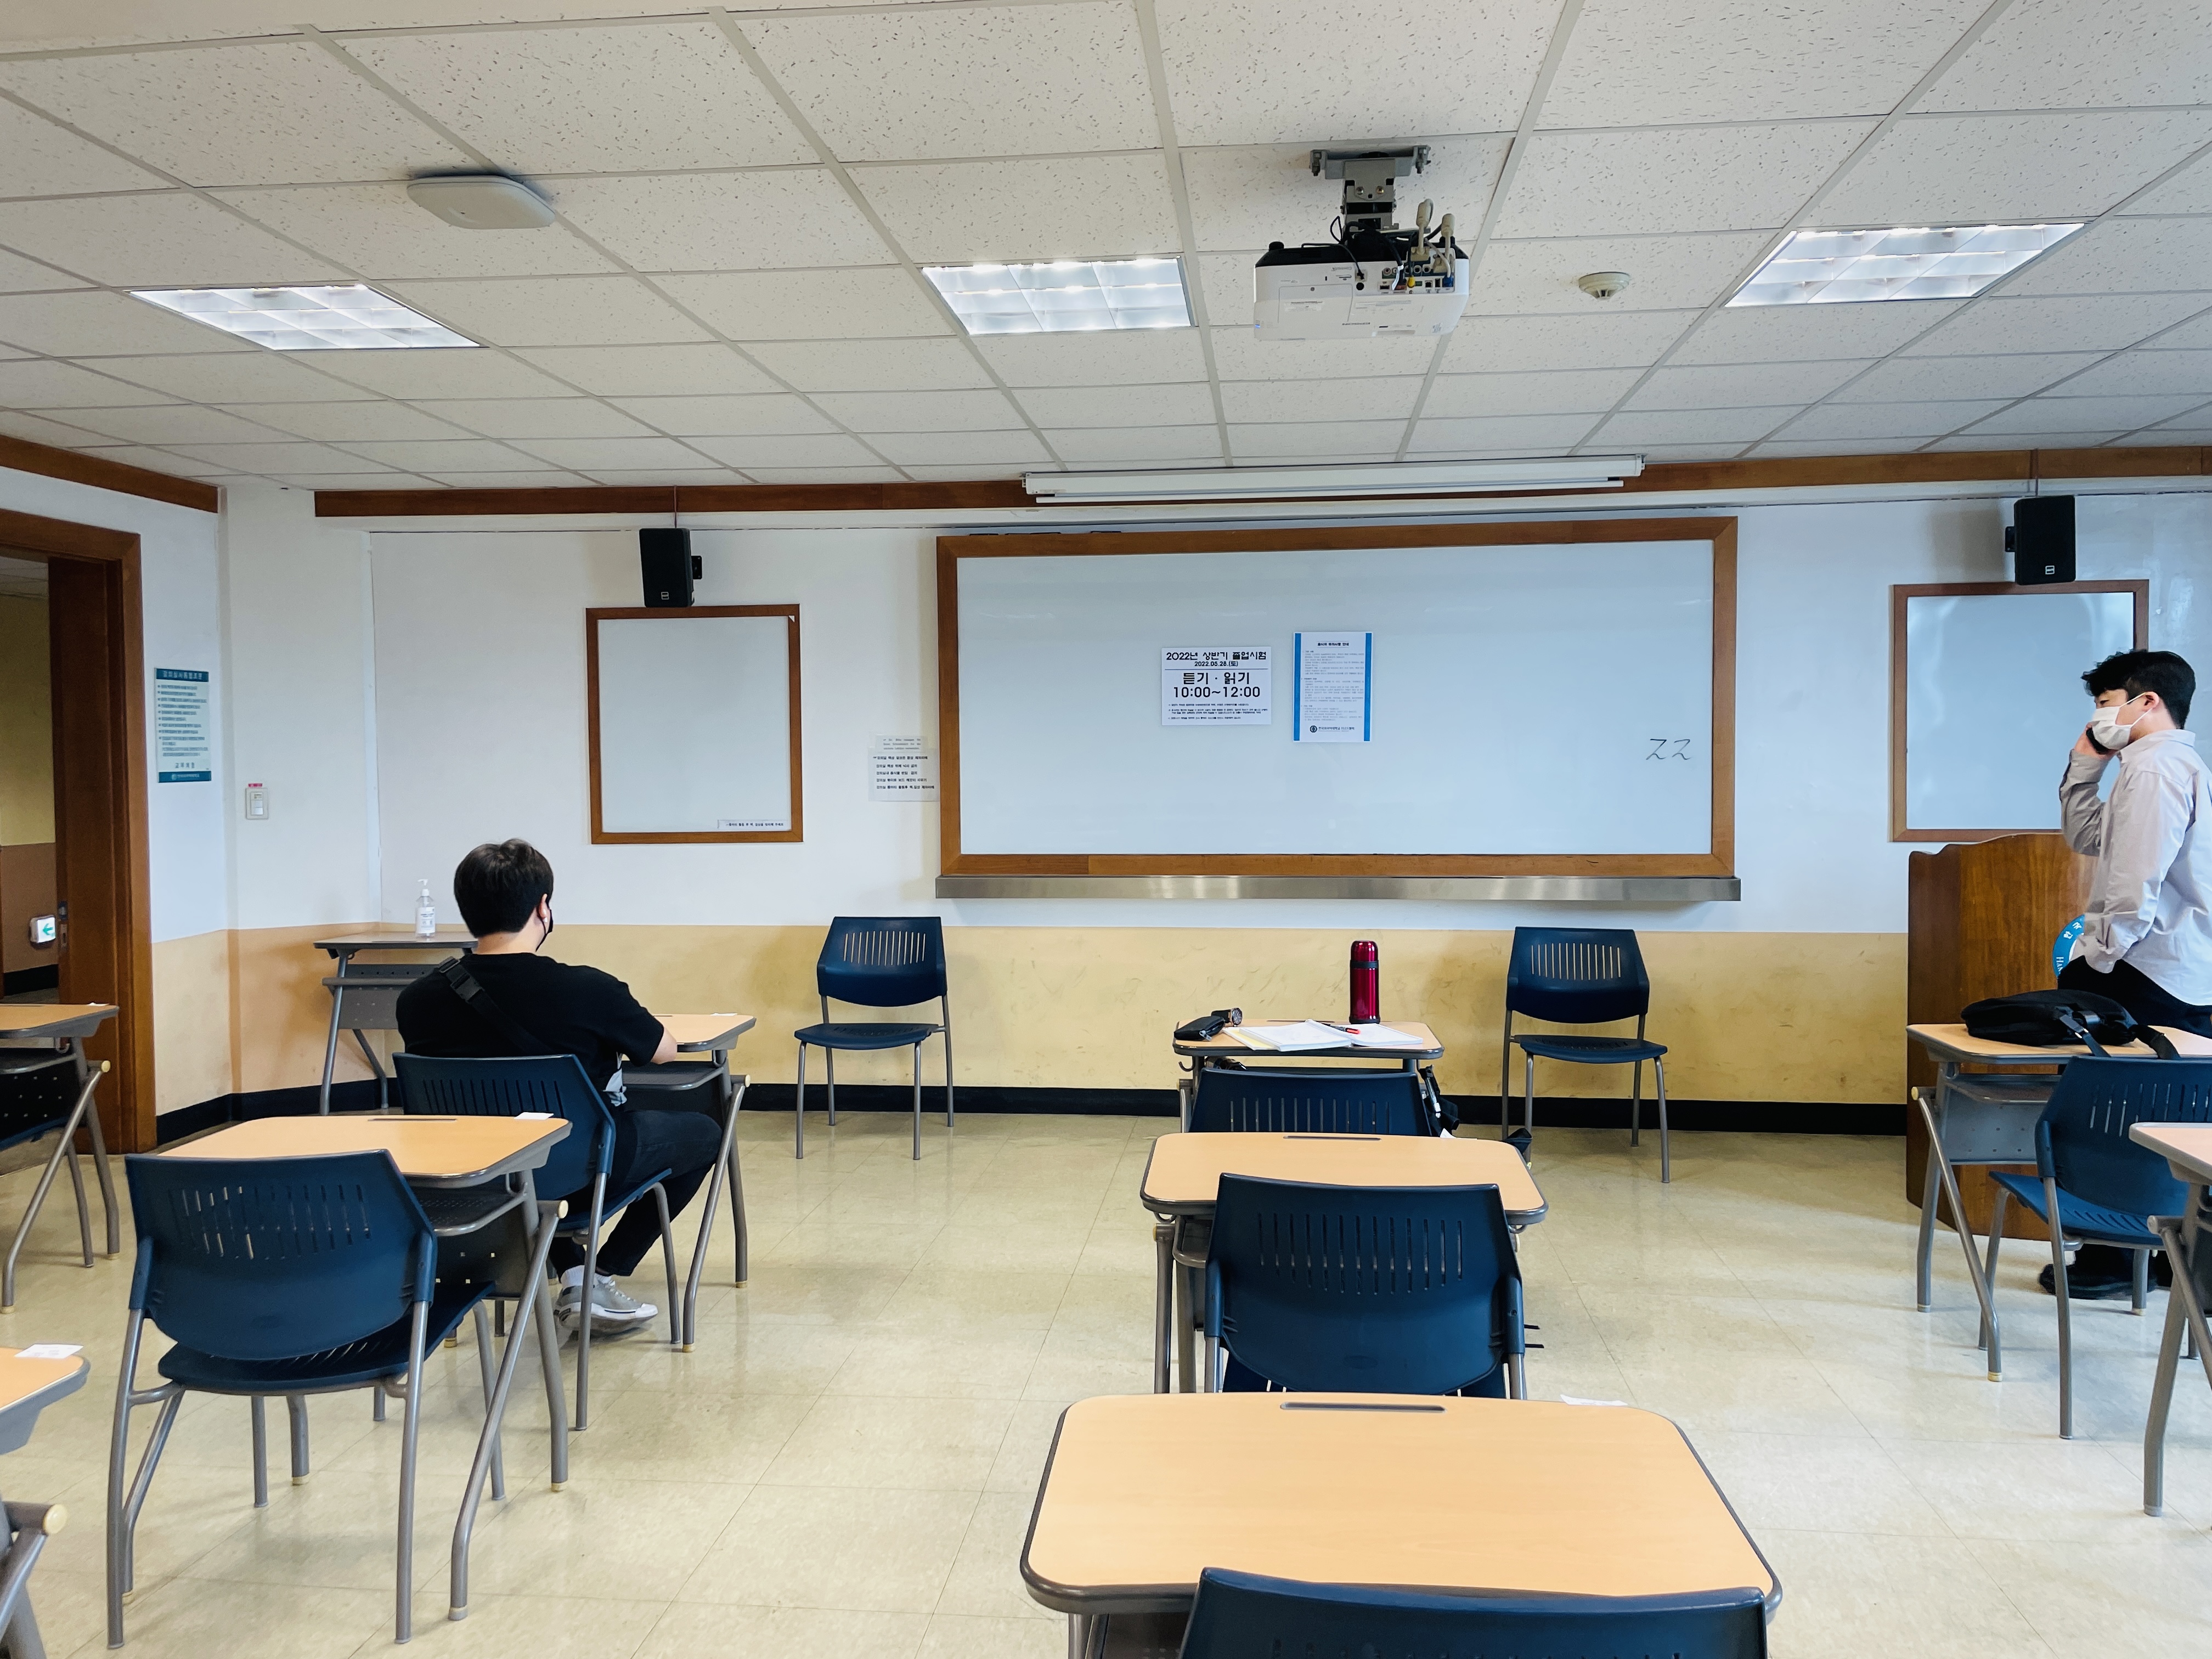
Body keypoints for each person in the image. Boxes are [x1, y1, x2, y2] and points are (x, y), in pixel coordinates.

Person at [396, 839, 723, 1336]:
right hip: (581, 1168)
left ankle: (572, 1267)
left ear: (467, 911)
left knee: (533, 1167)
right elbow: (664, 1051)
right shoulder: (588, 989)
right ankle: (598, 1274)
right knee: (704, 1133)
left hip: (474, 1176)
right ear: (543, 907)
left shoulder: (418, 1001)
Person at [2051, 648, 2212, 1297]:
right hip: (2170, 970)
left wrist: (2100, 958)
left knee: (2121, 1114)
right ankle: (2161, 1258)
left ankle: (2116, 1260)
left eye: (2106, 702)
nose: (2099, 716)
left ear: (2147, 702)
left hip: (2145, 970)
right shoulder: (2155, 766)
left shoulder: (2155, 767)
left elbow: (2133, 881)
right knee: (2168, 1115)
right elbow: (2088, 838)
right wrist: (2084, 766)